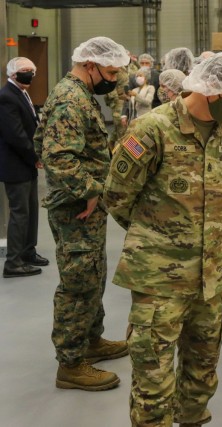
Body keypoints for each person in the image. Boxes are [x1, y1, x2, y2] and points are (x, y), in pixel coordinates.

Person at [102, 53, 222, 427]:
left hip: (211, 278)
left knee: (201, 379)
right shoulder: (151, 129)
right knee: (153, 382)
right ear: (209, 91)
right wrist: (159, 238)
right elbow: (118, 197)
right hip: (159, 282)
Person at [34, 36, 130, 391]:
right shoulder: (70, 99)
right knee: (78, 283)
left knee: (92, 275)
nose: (113, 78)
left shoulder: (78, 94)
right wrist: (88, 191)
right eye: (109, 71)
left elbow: (45, 142)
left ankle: (91, 340)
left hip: (83, 207)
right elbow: (57, 156)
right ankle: (71, 363)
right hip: (76, 208)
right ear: (90, 65)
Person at [0, 57, 49, 278]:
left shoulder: (22, 92)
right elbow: (15, 135)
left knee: (30, 211)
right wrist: (34, 157)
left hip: (24, 163)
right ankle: (13, 263)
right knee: (20, 213)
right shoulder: (7, 97)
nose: (29, 74)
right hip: (16, 164)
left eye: (31, 70)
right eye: (24, 70)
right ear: (12, 74)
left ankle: (28, 251)